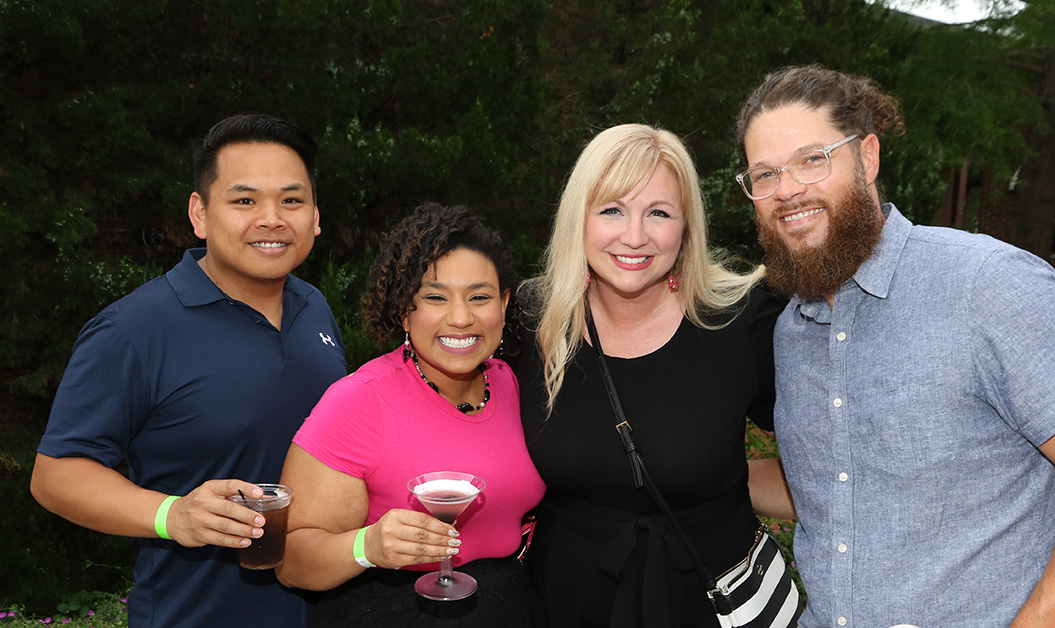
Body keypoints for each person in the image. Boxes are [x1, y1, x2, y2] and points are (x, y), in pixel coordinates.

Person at [735, 64, 1055, 628]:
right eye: (764, 175)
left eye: (812, 159)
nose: (787, 189)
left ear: (867, 157)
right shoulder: (793, 329)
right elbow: (826, 484)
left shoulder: (987, 285)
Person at [29, 114, 348, 628]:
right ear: (199, 213)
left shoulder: (314, 307)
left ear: (315, 217)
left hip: (325, 610)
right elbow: (55, 476)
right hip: (196, 614)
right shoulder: (133, 329)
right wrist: (172, 515)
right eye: (244, 200)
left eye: (291, 200)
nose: (271, 218)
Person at [510, 124, 785, 627]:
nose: (634, 237)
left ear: (686, 227)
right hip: (563, 604)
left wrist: (720, 479)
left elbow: (829, 465)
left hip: (709, 602)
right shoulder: (531, 321)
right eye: (612, 209)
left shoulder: (741, 321)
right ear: (579, 218)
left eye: (658, 213)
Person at [276, 202, 545, 627]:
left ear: (505, 303)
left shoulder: (515, 384)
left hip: (510, 605)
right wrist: (369, 546)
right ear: (404, 308)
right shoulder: (359, 401)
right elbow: (290, 560)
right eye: (435, 298)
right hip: (392, 610)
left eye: (480, 297)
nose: (461, 318)